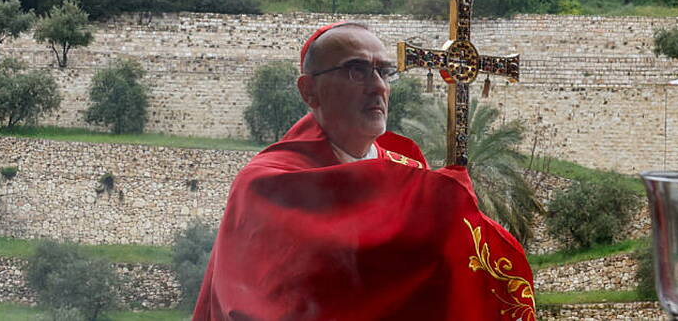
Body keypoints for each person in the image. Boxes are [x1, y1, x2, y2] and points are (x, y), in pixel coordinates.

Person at [193, 22, 535, 320]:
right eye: (357, 70)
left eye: (384, 72)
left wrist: (454, 216)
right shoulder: (268, 184)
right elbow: (260, 303)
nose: (378, 86)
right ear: (309, 91)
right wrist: (440, 203)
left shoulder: (410, 169)